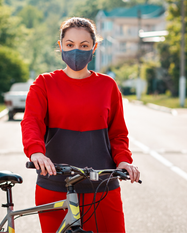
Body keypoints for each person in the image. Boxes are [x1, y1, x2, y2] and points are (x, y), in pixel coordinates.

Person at [21, 17, 140, 233]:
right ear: (61, 47)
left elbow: (118, 134)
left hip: (103, 186)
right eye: (70, 45)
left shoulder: (108, 86)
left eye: (84, 46)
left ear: (93, 48)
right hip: (55, 185)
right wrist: (36, 152)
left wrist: (123, 161)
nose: (77, 51)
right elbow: (32, 122)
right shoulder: (44, 84)